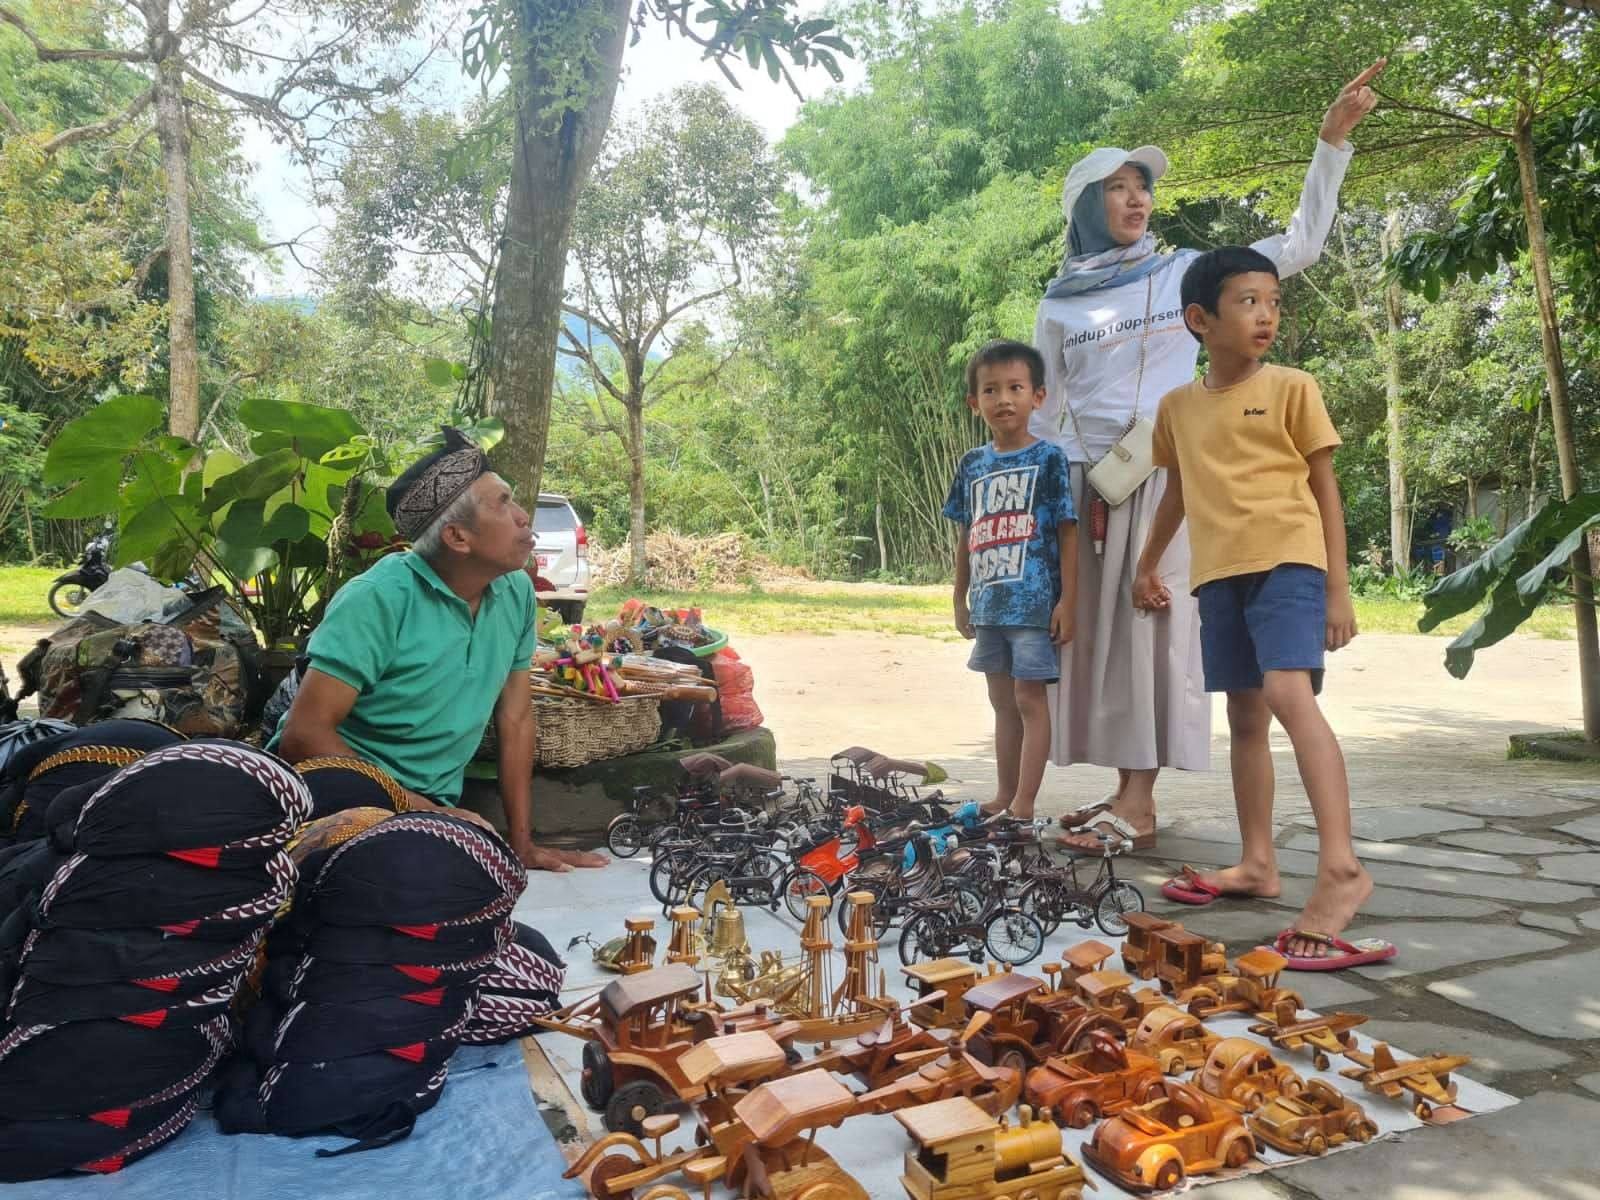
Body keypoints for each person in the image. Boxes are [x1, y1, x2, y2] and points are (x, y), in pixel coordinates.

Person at [1038, 61, 1386, 853]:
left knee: (1152, 632)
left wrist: (1330, 145)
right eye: (1116, 189)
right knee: (1100, 642)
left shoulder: (1180, 278)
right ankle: (1125, 789)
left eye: (1142, 187)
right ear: (1086, 207)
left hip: (1173, 478)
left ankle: (1140, 803)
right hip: (1092, 487)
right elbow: (1048, 406)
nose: (1135, 200)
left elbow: (1299, 244)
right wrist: (1050, 494)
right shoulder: (1058, 303)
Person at [1131, 247, 1392, 969]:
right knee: (1244, 714)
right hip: (1219, 575)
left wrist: (1339, 587)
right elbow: (1178, 492)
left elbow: (1324, 488)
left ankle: (1341, 867)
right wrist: (1148, 562)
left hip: (1289, 561)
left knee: (1286, 693)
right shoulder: (1177, 408)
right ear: (1199, 319)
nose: (1267, 314)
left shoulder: (1291, 388)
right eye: (1248, 300)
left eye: (1273, 300)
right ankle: (1257, 864)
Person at [274, 428, 606, 874]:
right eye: (504, 503)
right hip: (336, 799)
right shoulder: (377, 597)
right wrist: (420, 811)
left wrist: (523, 843)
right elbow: (304, 735)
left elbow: (516, 716)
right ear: (457, 537)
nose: (524, 516)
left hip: (430, 812)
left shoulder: (514, 593)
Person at [944, 340, 1078, 820]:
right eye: (991, 390)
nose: (1004, 399)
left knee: (1029, 699)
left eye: (1015, 388)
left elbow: (1067, 532)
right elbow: (966, 534)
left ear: (1038, 396)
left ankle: (1024, 802)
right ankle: (1004, 794)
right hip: (989, 605)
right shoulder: (972, 464)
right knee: (1000, 701)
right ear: (973, 403)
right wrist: (959, 597)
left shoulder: (1050, 459)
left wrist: (1069, 601)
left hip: (1034, 604)